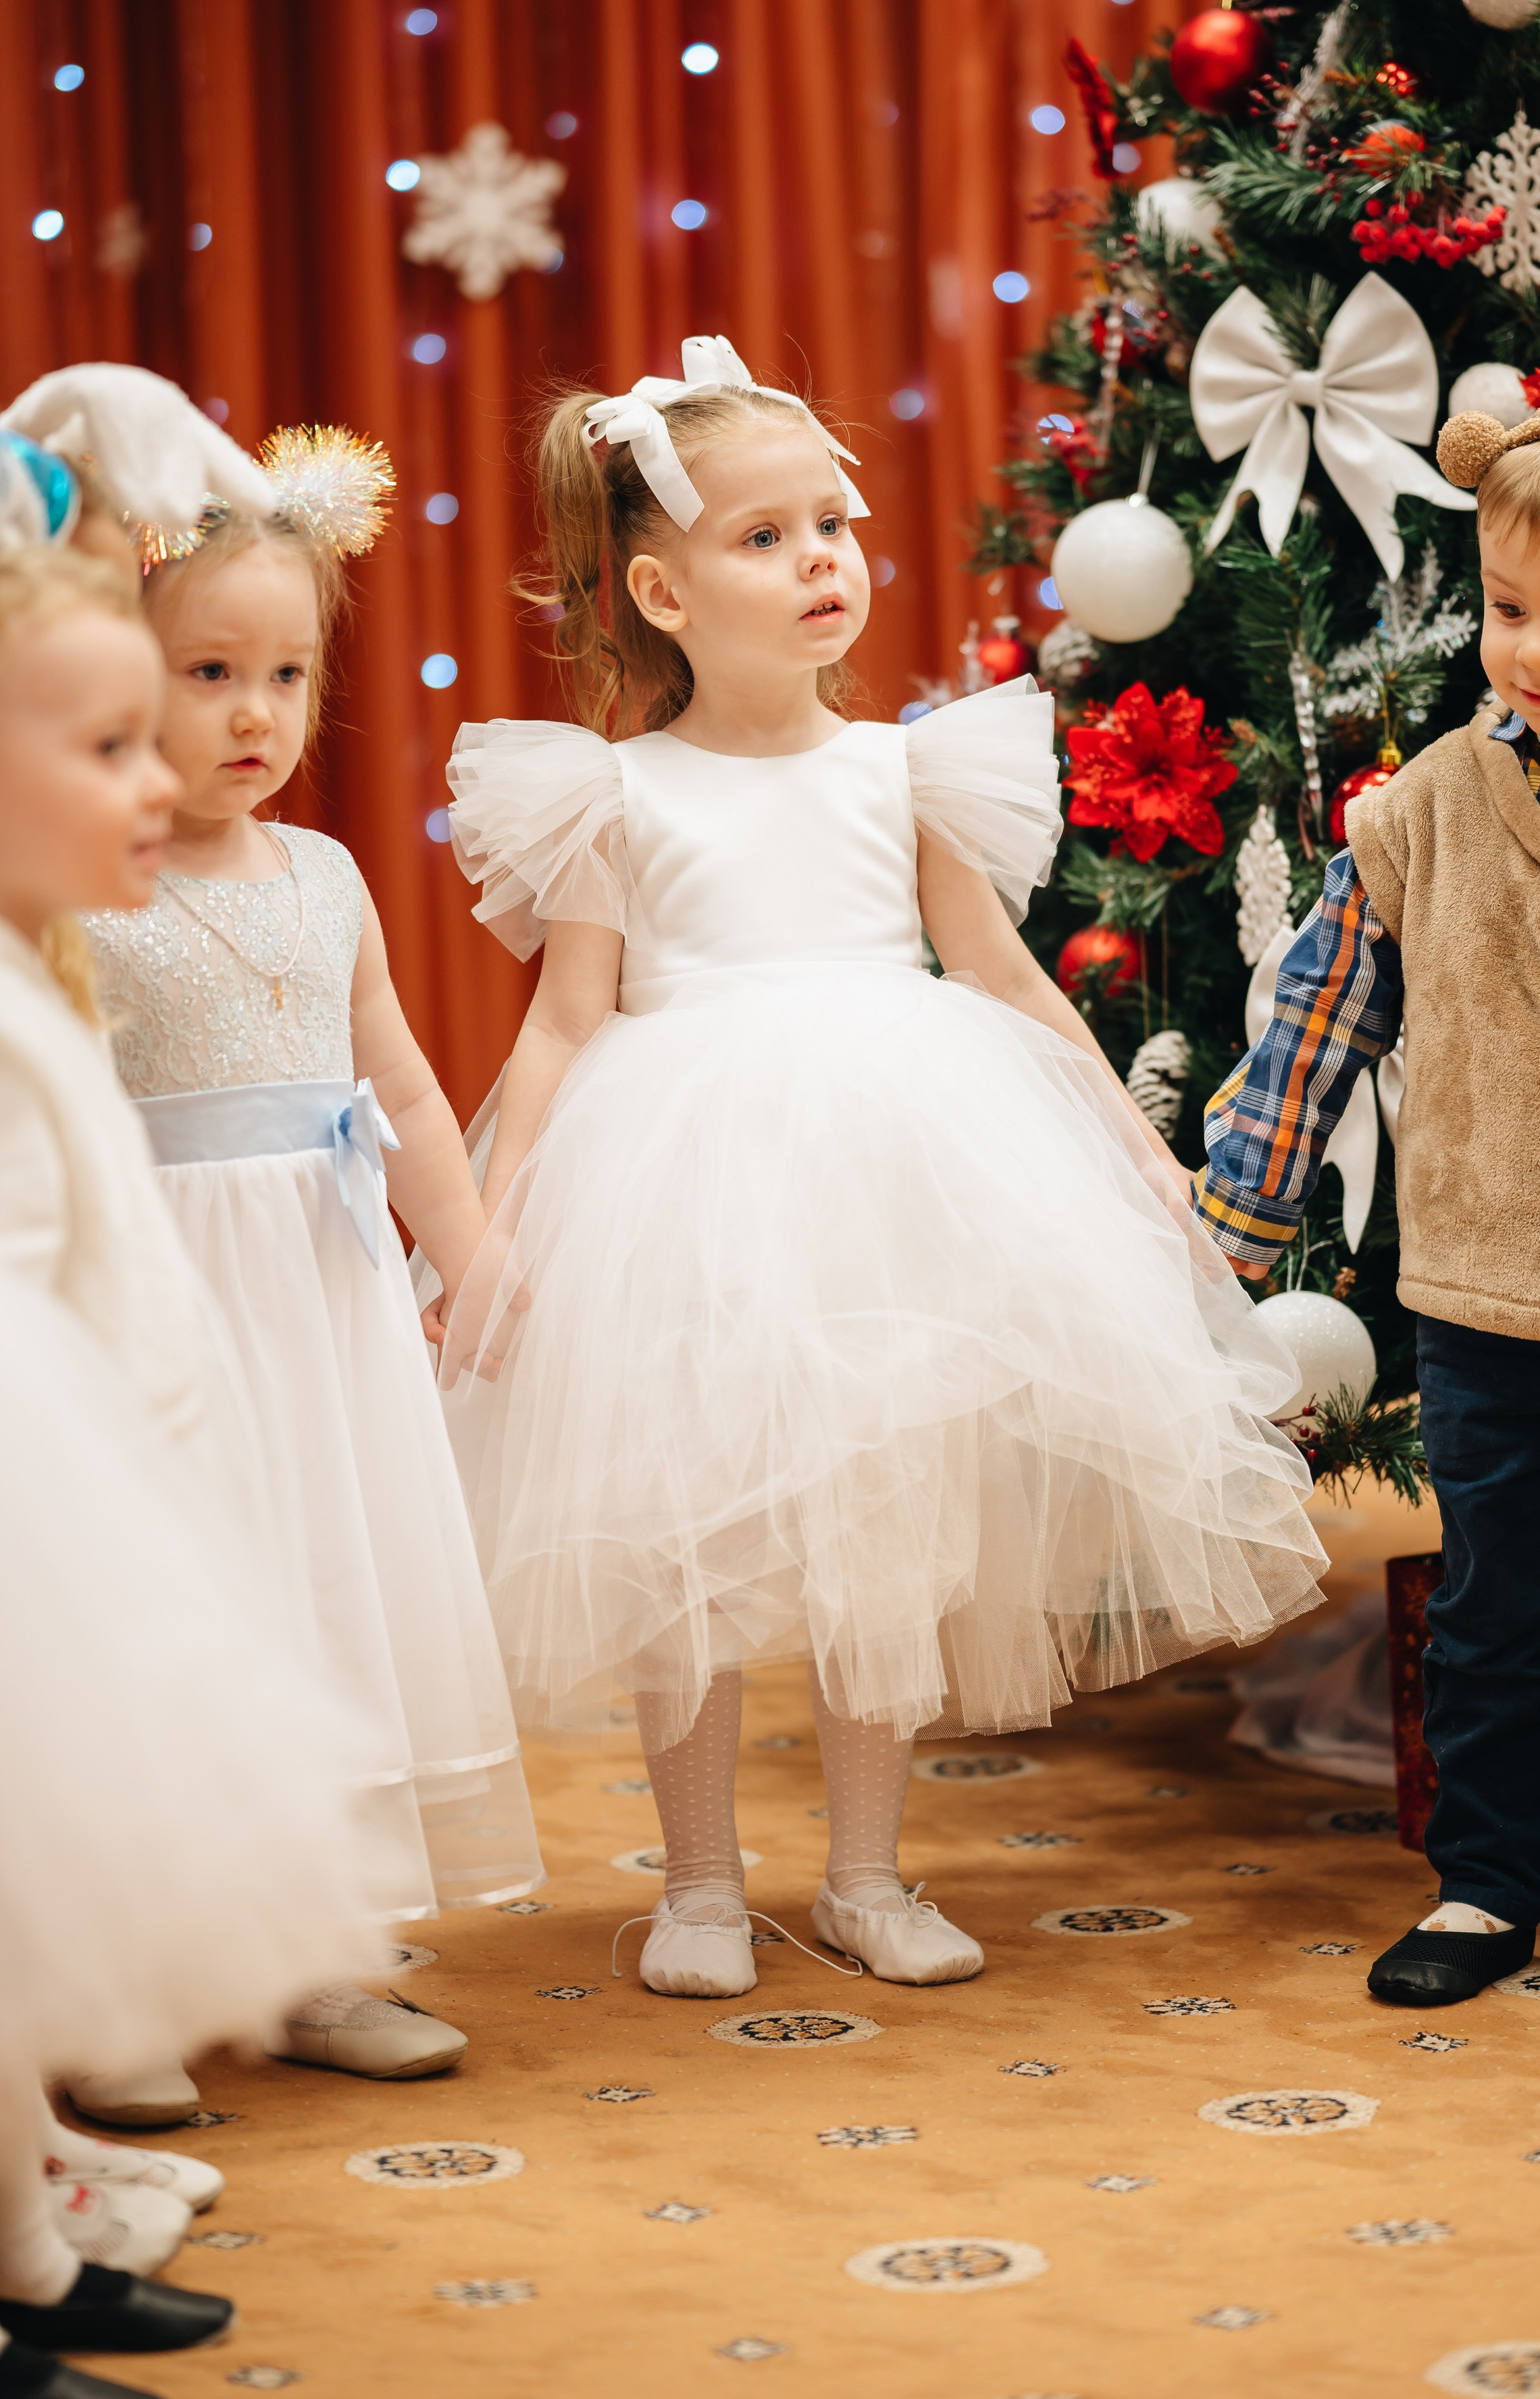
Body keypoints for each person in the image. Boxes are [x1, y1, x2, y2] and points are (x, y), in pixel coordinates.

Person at [430, 334, 1325, 2003]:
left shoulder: (904, 765)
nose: (815, 560)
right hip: (678, 1182)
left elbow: (992, 971)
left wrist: (1126, 1143)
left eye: (827, 524)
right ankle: (695, 1886)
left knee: (883, 1522)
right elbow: (560, 1025)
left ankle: (861, 1874)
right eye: (760, 538)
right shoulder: (613, 794)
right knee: (677, 1529)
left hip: (897, 1166)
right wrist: (485, 1229)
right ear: (662, 591)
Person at [1194, 376, 1540, 2013]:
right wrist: (1230, 1233)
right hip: (1484, 1307)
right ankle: (1483, 1884)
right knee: (1490, 1619)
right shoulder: (1418, 811)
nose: (1533, 650)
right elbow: (1311, 1024)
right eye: (1506, 609)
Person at [80, 427, 541, 2113]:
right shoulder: (71, 887)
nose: (255, 714)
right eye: (209, 672)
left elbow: (399, 1086)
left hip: (320, 1310)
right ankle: (121, 1979)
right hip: (156, 1314)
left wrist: (470, 1244)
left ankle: (314, 1955)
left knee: (326, 1612)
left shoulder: (328, 876)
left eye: (283, 673)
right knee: (159, 1625)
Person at [0, 543, 384, 2398]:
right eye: (117, 738)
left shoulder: (297, 888)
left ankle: (32, 2247)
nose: (174, 769)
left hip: (184, 1384)